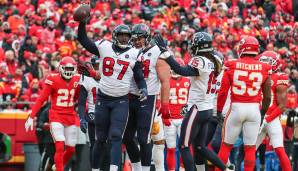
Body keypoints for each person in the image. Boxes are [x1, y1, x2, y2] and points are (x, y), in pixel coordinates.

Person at [77, 17, 148, 171]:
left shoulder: (135, 53)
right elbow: (83, 39)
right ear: (115, 36)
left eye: (127, 36)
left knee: (116, 136)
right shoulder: (104, 46)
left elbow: (139, 77)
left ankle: (113, 169)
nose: (124, 38)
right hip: (103, 99)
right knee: (100, 139)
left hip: (121, 101)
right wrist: (82, 23)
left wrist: (143, 88)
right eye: (121, 35)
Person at [156, 32, 229, 171]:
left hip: (197, 108)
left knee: (183, 145)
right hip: (207, 109)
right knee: (200, 146)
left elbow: (180, 70)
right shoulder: (216, 60)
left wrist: (165, 52)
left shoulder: (200, 61)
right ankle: (226, 169)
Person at [215, 36, 272, 171]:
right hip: (254, 110)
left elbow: (223, 92)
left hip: (236, 108)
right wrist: (262, 113)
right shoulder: (264, 67)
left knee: (226, 146)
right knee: (250, 148)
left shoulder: (231, 64)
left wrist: (218, 110)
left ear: (242, 48)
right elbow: (268, 97)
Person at [123, 23, 171, 171]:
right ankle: (137, 168)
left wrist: (164, 104)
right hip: (130, 96)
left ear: (147, 37)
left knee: (144, 138)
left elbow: (165, 81)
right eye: (135, 39)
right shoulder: (131, 51)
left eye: (140, 38)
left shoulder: (157, 52)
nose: (137, 41)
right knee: (128, 138)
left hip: (148, 98)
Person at [25, 56, 81, 171]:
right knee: (59, 146)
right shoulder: (53, 78)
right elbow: (41, 99)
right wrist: (31, 116)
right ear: (60, 68)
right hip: (56, 115)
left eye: (71, 69)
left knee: (71, 149)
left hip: (70, 115)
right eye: (66, 69)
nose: (68, 72)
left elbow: (78, 97)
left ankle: (57, 166)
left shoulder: (77, 79)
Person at [256, 51, 292, 171]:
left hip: (271, 117)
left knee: (279, 149)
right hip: (257, 117)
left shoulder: (279, 77)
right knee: (248, 150)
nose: (263, 64)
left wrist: (267, 119)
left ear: (275, 63)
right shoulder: (256, 75)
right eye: (262, 61)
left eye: (267, 62)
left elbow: (282, 105)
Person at [77, 56, 110, 171]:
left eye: (98, 66)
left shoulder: (109, 77)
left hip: (108, 112)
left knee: (107, 145)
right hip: (93, 112)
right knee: (94, 144)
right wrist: (81, 118)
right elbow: (81, 103)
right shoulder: (86, 79)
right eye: (95, 66)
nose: (97, 69)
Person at [164, 57, 190, 171]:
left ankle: (183, 168)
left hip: (183, 119)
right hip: (170, 119)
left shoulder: (188, 81)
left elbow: (191, 100)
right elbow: (160, 99)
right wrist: (164, 116)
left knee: (185, 147)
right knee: (171, 148)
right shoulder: (165, 80)